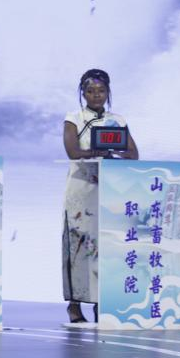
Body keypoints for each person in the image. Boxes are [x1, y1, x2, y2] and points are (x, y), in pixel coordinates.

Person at [62, 69, 139, 323]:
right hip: (81, 190)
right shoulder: (74, 118)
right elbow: (73, 152)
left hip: (108, 190)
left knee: (104, 246)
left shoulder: (117, 120)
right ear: (83, 93)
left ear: (108, 92)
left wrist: (112, 155)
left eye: (101, 91)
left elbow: (133, 154)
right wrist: (99, 152)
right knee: (78, 245)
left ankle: (100, 303)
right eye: (91, 91)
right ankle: (74, 305)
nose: (96, 95)